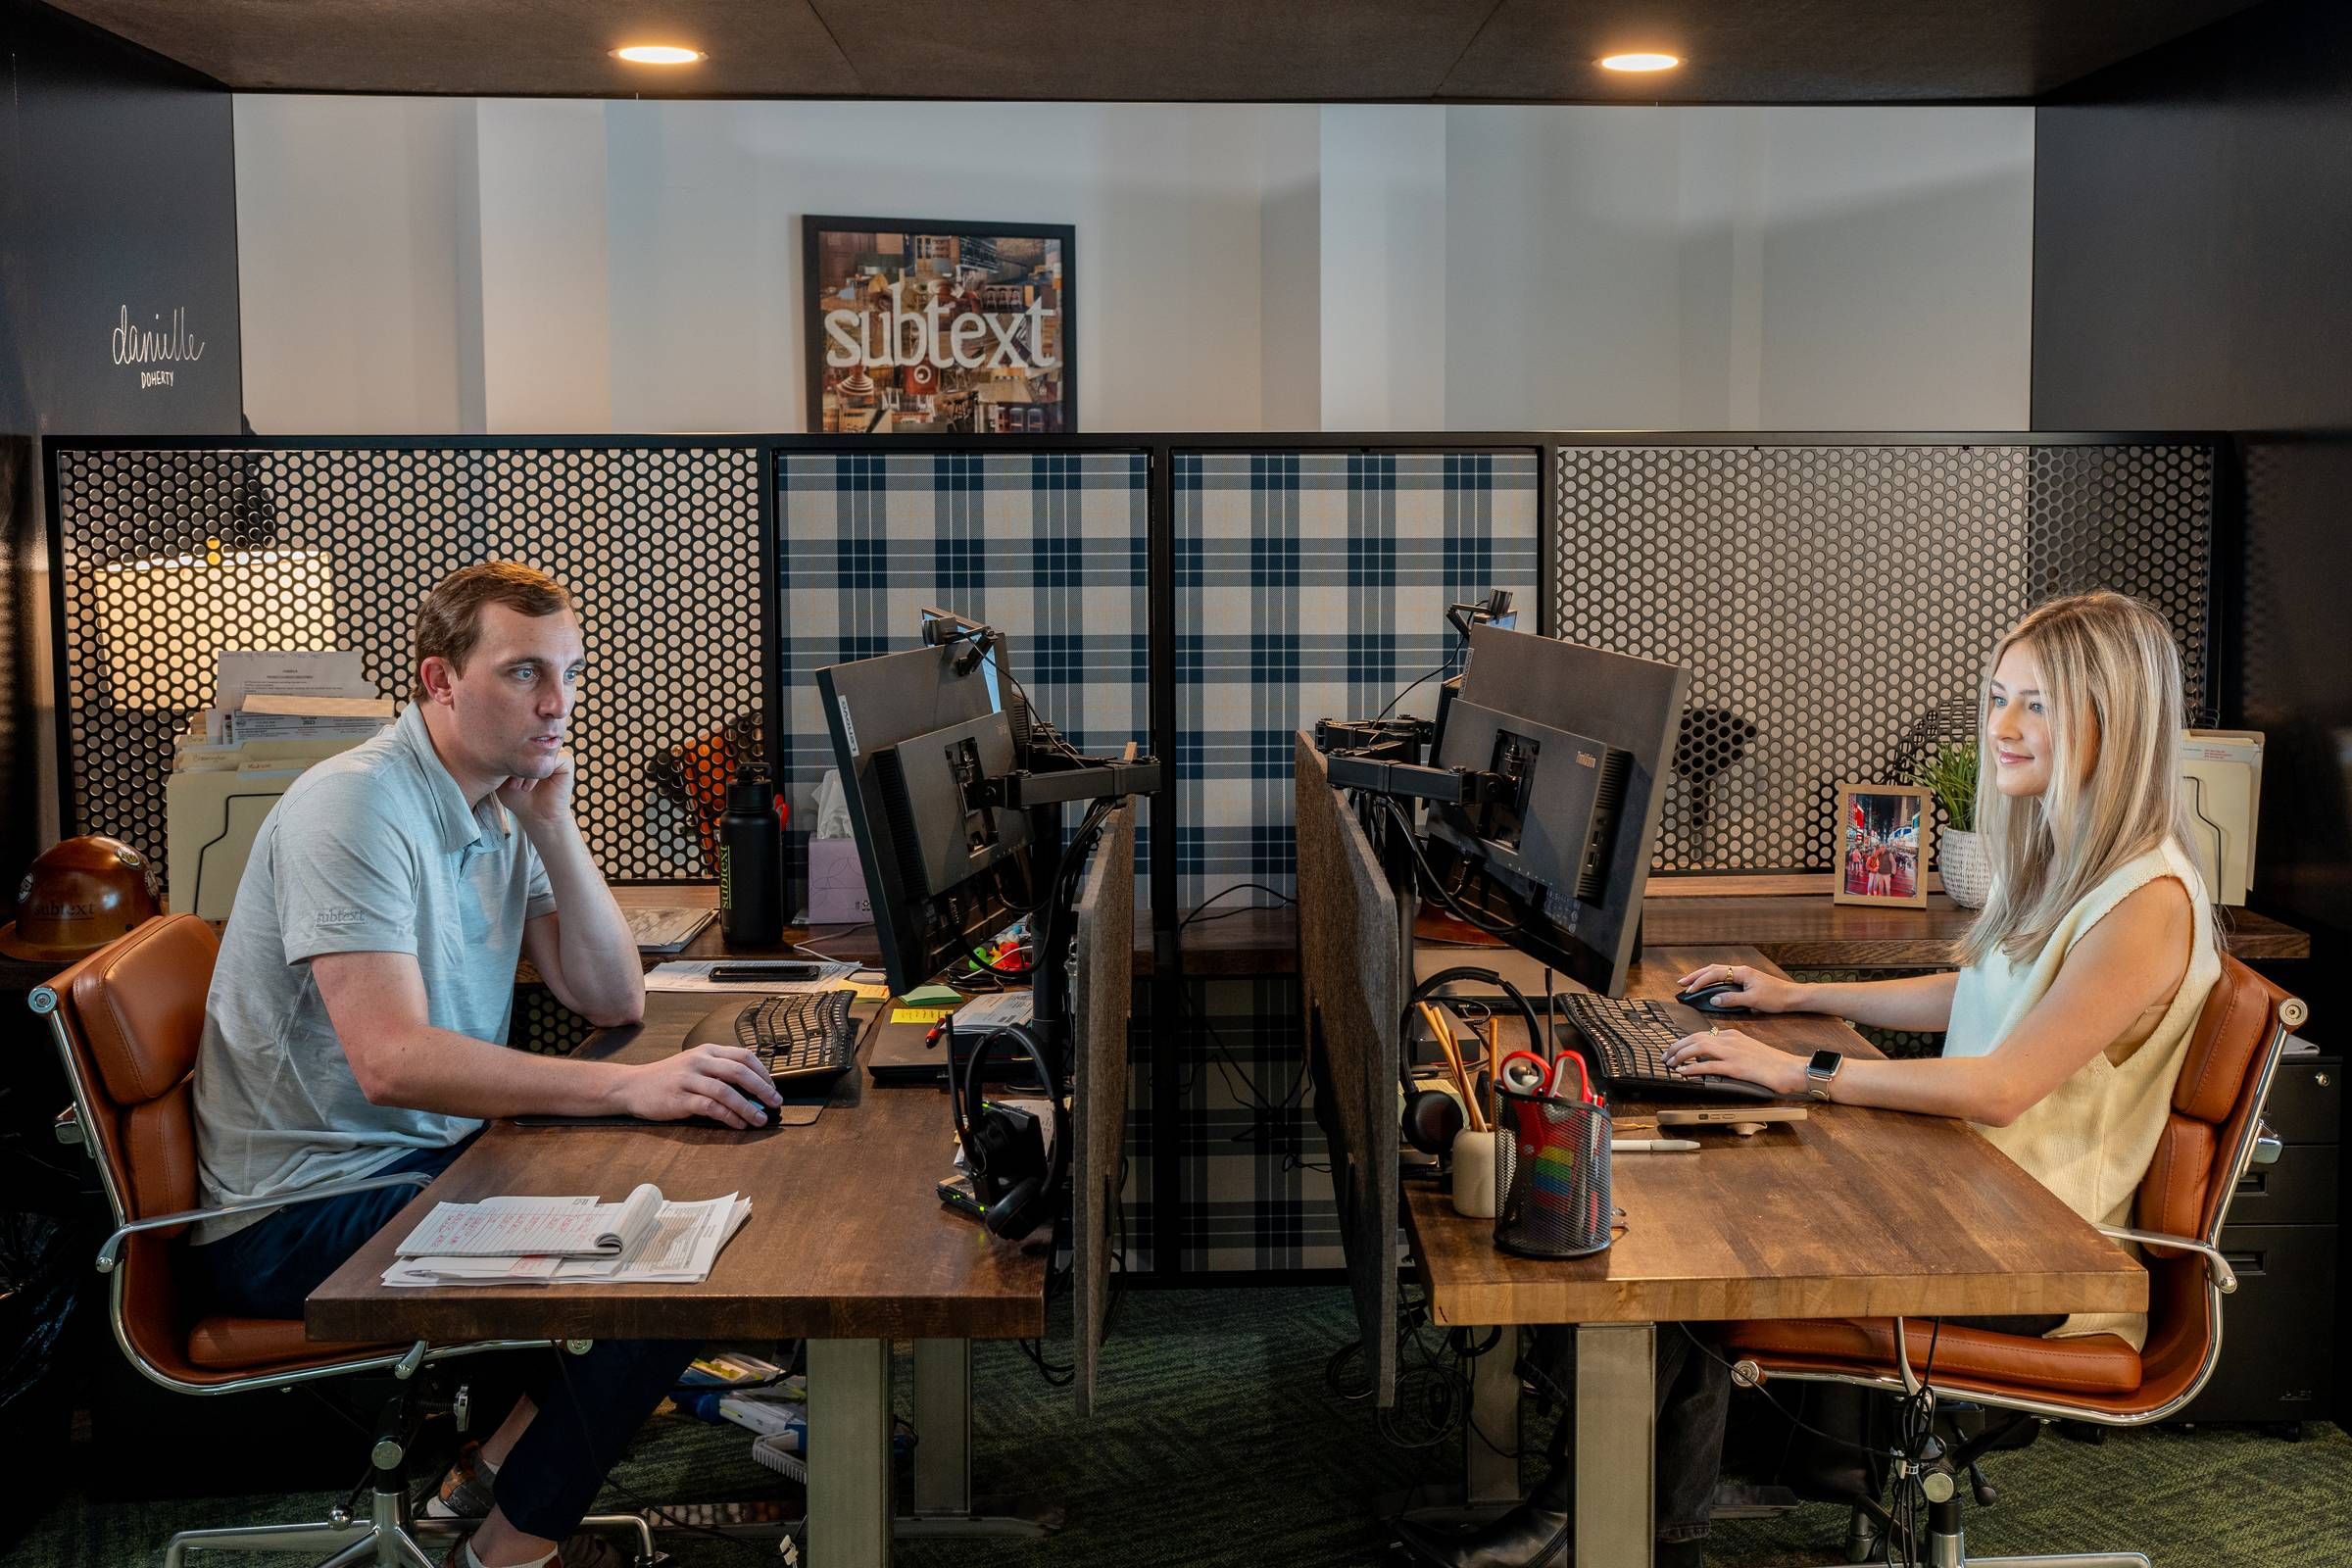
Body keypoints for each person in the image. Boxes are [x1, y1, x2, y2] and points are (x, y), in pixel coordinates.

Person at [1397, 591, 2220, 1568]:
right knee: (1695, 1200)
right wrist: (1797, 995)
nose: (2000, 726)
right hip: (1972, 1187)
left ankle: (1584, 1525)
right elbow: (1981, 989)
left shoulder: (2148, 902)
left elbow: (2002, 1085)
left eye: (2035, 705)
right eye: (1998, 695)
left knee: (1697, 1234)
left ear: (2111, 718)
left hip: (2027, 1244)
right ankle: (1624, 1526)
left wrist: (1802, 1070)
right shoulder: (2066, 854)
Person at [187, 562, 785, 1568]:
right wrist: (625, 1086)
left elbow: (610, 997)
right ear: (440, 680)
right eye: (522, 675)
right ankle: (507, 1551)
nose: (558, 704)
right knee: (658, 1279)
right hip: (297, 1213)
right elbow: (392, 1060)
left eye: (570, 672)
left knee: (682, 1225)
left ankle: (484, 1487)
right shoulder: (357, 808)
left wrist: (554, 821)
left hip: (429, 1166)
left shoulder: (503, 797)